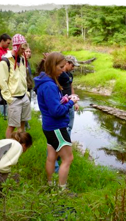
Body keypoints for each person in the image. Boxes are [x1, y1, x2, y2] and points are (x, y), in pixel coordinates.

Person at [34, 52, 79, 192]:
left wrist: (63, 99)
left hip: (49, 126)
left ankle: (50, 185)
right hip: (57, 127)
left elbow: (52, 105)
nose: (62, 70)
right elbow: (56, 111)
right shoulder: (49, 86)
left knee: (51, 157)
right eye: (60, 67)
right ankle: (61, 190)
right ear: (52, 66)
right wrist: (71, 102)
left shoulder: (45, 80)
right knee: (68, 159)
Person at [0, 34, 31, 139]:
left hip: (24, 96)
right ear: (16, 46)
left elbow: (23, 77)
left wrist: (26, 93)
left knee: (23, 123)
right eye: (22, 48)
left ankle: (19, 144)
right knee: (11, 126)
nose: (23, 50)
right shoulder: (5, 61)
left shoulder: (23, 58)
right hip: (14, 99)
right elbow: (2, 82)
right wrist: (9, 98)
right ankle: (8, 146)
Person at [54, 55, 80, 173]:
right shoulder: (58, 76)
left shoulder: (70, 75)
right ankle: (59, 153)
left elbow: (71, 87)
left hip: (70, 104)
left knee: (69, 127)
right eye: (72, 65)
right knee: (61, 129)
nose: (73, 68)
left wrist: (74, 101)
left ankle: (64, 149)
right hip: (63, 105)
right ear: (67, 63)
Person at [24, 47, 34, 130]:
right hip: (24, 89)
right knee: (25, 107)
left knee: (28, 106)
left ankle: (26, 124)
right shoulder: (21, 62)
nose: (28, 53)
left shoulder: (28, 62)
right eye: (26, 51)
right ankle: (25, 125)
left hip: (29, 87)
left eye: (30, 51)